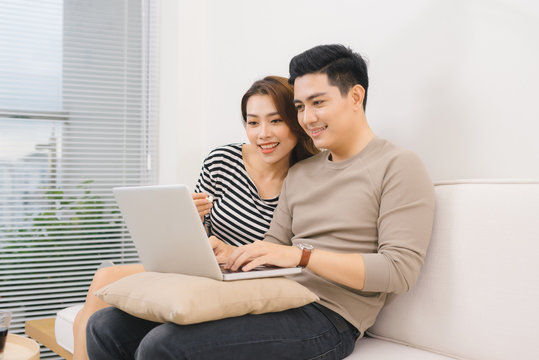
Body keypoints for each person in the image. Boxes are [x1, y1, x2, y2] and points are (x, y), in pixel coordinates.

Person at [86, 44, 435, 360]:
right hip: (274, 297)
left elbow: (399, 271)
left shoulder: (398, 165)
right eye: (300, 106)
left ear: (355, 96)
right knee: (106, 326)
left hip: (330, 317)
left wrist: (303, 256)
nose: (308, 117)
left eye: (318, 102)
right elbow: (272, 248)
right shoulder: (303, 172)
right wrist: (232, 257)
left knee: (164, 346)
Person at [71, 75, 318, 360]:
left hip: (249, 281)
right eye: (253, 122)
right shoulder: (222, 161)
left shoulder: (305, 178)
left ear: (296, 121)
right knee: (100, 288)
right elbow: (200, 236)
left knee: (91, 314)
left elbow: (293, 253)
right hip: (203, 267)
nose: (263, 133)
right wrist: (192, 218)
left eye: (275, 121)